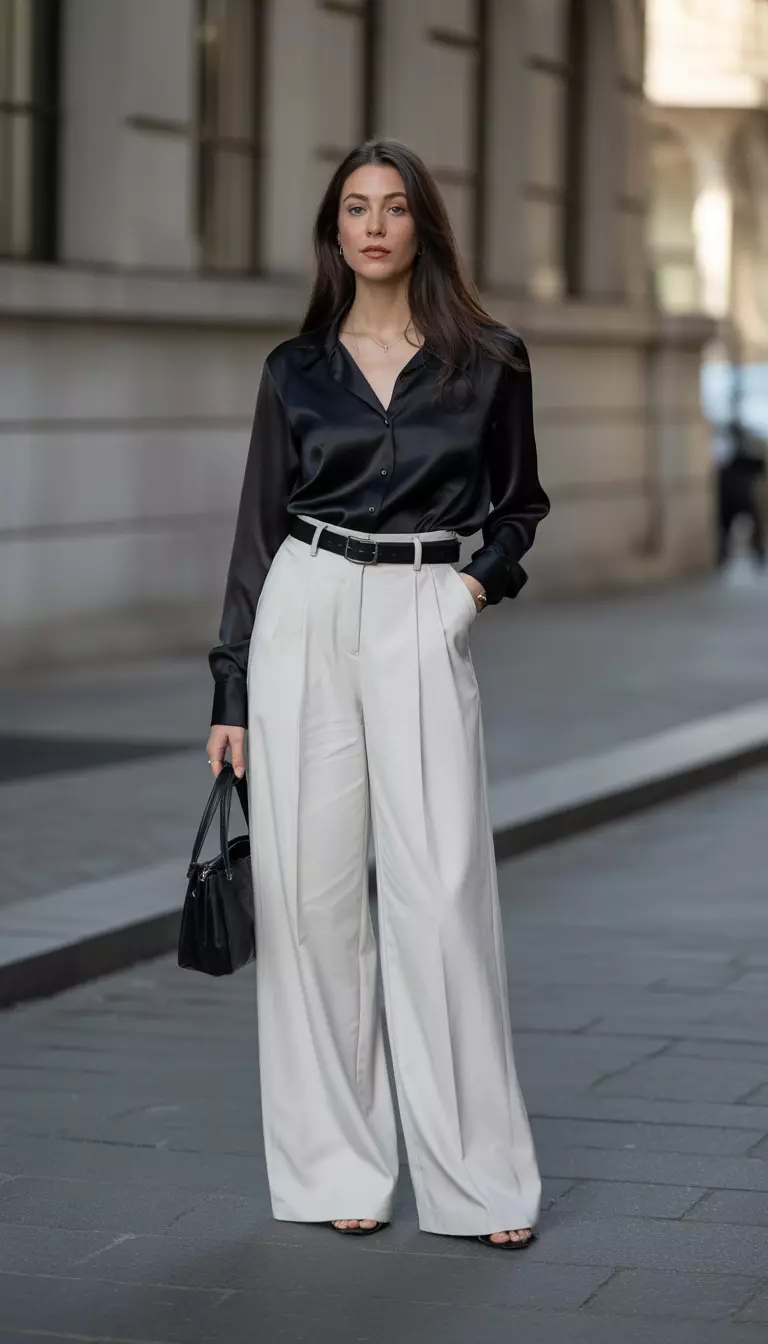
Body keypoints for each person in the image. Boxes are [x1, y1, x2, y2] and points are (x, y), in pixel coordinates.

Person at [206, 139, 550, 1251]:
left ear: (422, 227)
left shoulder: (491, 360)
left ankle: (480, 1183)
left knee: (441, 895)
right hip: (304, 608)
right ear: (335, 230)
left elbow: (520, 509)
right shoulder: (294, 370)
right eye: (355, 208)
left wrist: (469, 592)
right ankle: (337, 1167)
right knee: (310, 904)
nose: (374, 226)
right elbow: (257, 533)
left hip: (422, 607)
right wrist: (230, 689)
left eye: (394, 207)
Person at [716, 419, 766, 567]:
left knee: (753, 525)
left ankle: (757, 552)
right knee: (727, 528)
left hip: (739, 496)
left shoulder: (742, 451)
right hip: (735, 496)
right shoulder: (726, 450)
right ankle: (724, 554)